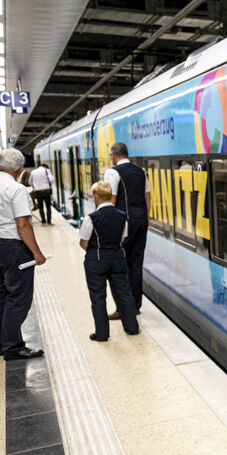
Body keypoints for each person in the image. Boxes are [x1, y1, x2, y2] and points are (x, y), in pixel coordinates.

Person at [0, 149, 46, 361]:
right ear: (20, 168)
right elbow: (22, 224)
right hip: (12, 249)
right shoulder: (17, 189)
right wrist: (36, 253)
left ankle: (2, 344)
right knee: (18, 298)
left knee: (0, 294)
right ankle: (13, 347)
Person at [79, 181, 139, 341]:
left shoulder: (91, 218)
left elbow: (83, 242)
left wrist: (97, 251)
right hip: (118, 257)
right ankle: (132, 328)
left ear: (97, 197)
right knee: (124, 293)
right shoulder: (122, 216)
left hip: (96, 259)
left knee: (98, 296)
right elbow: (123, 237)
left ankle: (102, 334)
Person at [103, 142, 150, 317]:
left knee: (119, 266)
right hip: (140, 222)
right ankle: (136, 305)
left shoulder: (112, 172)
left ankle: (123, 308)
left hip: (124, 224)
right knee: (136, 265)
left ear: (113, 156)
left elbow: (111, 200)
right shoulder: (140, 171)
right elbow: (147, 197)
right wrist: (145, 221)